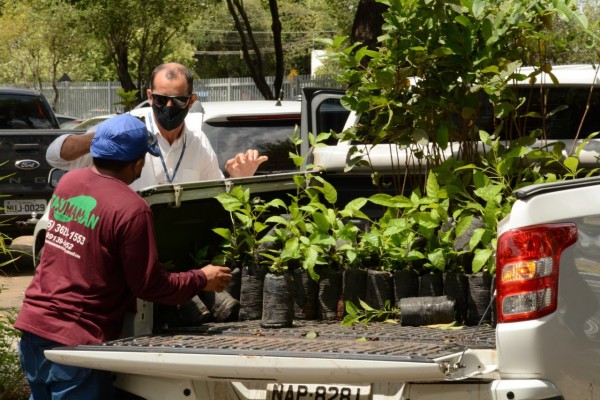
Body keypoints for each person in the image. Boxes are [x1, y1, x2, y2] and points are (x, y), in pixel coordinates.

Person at [14, 113, 233, 399]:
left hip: (34, 329)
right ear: (138, 162)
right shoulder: (132, 209)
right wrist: (201, 278)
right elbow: (149, 286)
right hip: (76, 345)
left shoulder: (69, 183)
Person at [46, 62, 268, 191]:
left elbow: (213, 197)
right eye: (162, 99)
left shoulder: (197, 142)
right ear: (150, 97)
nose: (169, 107)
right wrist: (101, 137)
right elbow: (55, 156)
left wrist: (238, 178)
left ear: (191, 101)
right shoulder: (126, 130)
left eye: (178, 100)